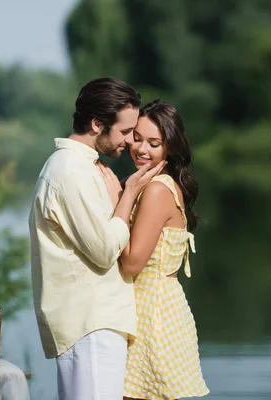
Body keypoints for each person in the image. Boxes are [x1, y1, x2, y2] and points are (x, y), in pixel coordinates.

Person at [29, 78, 165, 400]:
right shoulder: (70, 171)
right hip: (89, 324)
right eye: (125, 131)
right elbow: (105, 251)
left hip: (96, 321)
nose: (131, 141)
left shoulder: (85, 167)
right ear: (96, 124)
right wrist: (128, 193)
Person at [100, 100, 209, 400]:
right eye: (137, 138)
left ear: (170, 148)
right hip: (152, 310)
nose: (141, 149)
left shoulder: (157, 190)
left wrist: (117, 200)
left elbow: (133, 263)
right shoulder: (153, 185)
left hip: (153, 319)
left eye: (154, 143)